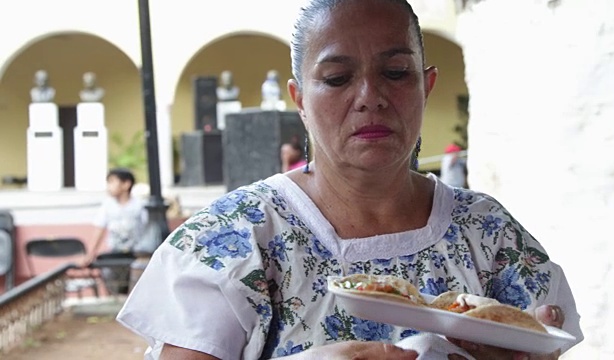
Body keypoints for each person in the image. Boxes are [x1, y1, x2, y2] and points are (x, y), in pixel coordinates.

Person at [117, 1, 583, 359]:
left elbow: (541, 336)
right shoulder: (234, 240)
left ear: (427, 86)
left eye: (396, 73)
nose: (370, 97)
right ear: (299, 98)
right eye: (338, 78)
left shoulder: (489, 234)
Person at [85, 168, 148, 294]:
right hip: (114, 253)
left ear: (126, 184)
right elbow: (99, 229)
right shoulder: (107, 206)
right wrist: (90, 253)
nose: (109, 187)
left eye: (112, 182)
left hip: (135, 254)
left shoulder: (140, 206)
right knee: (113, 284)